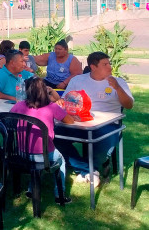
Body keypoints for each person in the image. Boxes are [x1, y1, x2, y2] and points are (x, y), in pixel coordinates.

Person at [54, 51, 134, 186]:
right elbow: (65, 99)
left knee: (104, 143)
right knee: (53, 135)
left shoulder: (118, 82)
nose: (110, 67)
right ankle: (87, 170)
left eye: (109, 63)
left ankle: (88, 170)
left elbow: (129, 105)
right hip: (79, 121)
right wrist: (62, 103)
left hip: (107, 124)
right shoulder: (78, 80)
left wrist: (118, 88)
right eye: (105, 64)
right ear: (93, 66)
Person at [10, 77, 74, 204]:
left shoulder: (19, 105)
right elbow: (70, 121)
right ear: (45, 92)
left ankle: (31, 189)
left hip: (22, 153)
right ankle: (59, 194)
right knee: (60, 161)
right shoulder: (52, 107)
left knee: (38, 162)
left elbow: (10, 116)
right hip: (43, 154)